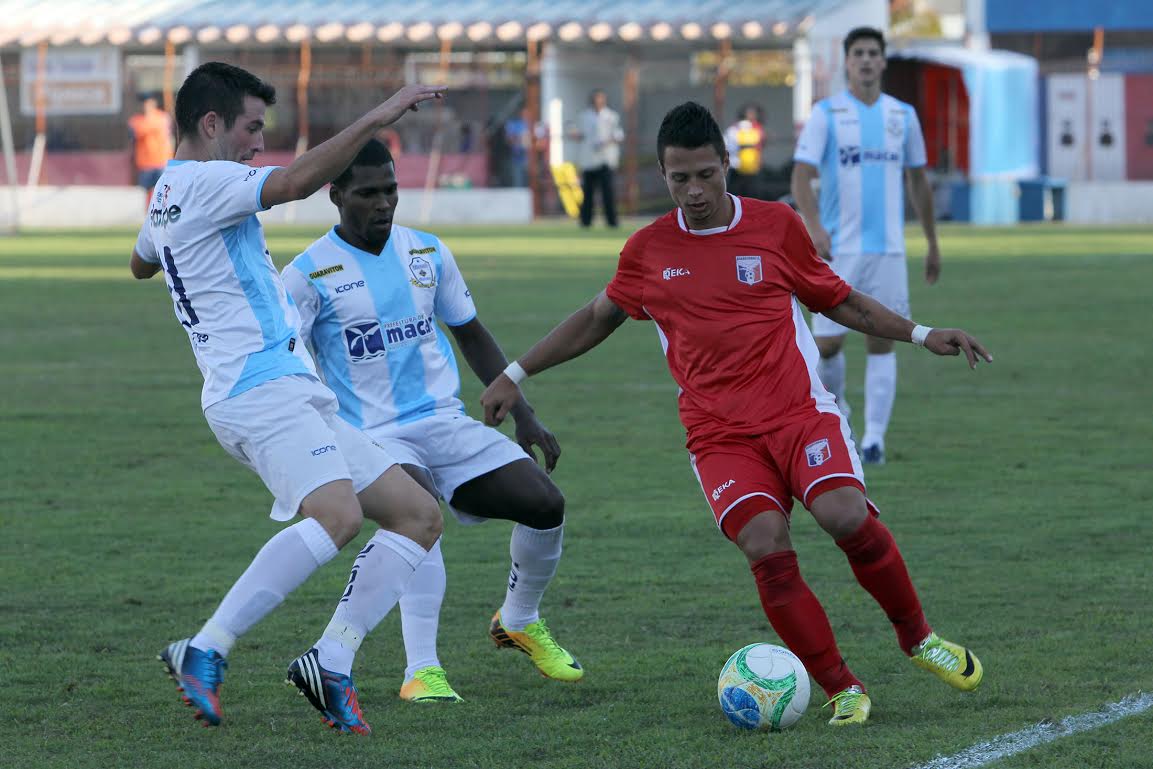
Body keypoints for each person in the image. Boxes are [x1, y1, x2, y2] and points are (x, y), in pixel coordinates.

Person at [481, 102, 990, 727]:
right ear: (663, 175)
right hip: (720, 436)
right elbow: (595, 319)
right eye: (679, 179)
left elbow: (840, 301)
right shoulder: (647, 250)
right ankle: (842, 688)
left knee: (845, 515)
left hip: (799, 413)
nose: (695, 192)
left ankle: (919, 639)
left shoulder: (776, 226)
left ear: (727, 163)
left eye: (706, 175)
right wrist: (514, 374)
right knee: (764, 543)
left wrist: (922, 333)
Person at [129, 62, 446, 734]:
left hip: (285, 387)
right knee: (337, 515)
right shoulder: (209, 181)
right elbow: (297, 182)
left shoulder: (168, 191)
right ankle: (205, 646)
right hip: (258, 387)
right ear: (210, 123)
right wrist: (381, 113)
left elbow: (141, 261)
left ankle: (331, 660)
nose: (258, 142)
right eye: (250, 127)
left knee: (417, 515)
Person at [281, 138, 582, 703]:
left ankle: (518, 619)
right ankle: (421, 670)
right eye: (367, 193)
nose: (383, 203)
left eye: (390, 190)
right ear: (336, 194)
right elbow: (285, 364)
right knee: (418, 514)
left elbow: (470, 332)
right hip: (371, 434)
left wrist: (524, 414)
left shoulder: (427, 251)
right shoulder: (306, 275)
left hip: (442, 421)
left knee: (545, 504)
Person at [791, 27, 941, 465]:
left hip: (889, 250)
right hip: (838, 250)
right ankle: (840, 412)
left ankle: (875, 439)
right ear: (847, 62)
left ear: (883, 60)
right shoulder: (827, 113)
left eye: (874, 53)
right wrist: (814, 226)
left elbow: (918, 180)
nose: (866, 60)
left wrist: (932, 241)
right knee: (827, 345)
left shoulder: (902, 115)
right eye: (858, 53)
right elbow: (801, 175)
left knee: (883, 340)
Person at [571, 89, 623, 228]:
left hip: (606, 160)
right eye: (596, 99)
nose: (598, 101)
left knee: (608, 192)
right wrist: (575, 134)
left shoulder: (612, 116)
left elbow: (618, 135)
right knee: (587, 193)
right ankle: (585, 221)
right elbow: (578, 134)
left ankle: (612, 222)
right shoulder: (584, 116)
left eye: (601, 99)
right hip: (588, 161)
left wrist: (606, 142)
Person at [128, 93, 174, 209]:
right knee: (147, 193)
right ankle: (150, 214)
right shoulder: (135, 121)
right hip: (145, 163)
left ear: (153, 103)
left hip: (162, 161)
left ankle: (162, 212)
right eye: (143, 103)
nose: (145, 106)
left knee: (164, 192)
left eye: (148, 103)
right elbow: (137, 133)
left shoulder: (163, 117)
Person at [724, 104, 765, 198]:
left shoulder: (757, 128)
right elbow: (729, 146)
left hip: (752, 167)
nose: (753, 116)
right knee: (736, 194)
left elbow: (759, 146)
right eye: (750, 113)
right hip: (737, 168)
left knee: (752, 194)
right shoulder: (734, 129)